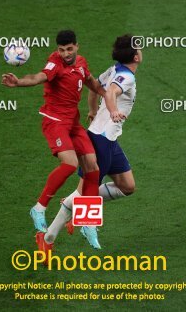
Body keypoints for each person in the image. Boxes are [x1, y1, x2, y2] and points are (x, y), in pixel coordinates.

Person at [1, 30, 125, 242]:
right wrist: (19, 82)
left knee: (93, 169)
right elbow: (38, 77)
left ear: (77, 46)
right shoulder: (55, 64)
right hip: (55, 121)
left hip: (73, 123)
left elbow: (91, 83)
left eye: (69, 49)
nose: (65, 53)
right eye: (61, 50)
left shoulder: (81, 63)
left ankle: (88, 224)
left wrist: (107, 96)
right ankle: (39, 208)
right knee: (69, 164)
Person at [37, 34, 142, 258]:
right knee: (84, 192)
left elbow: (94, 88)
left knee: (127, 186)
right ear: (136, 56)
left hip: (109, 139)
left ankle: (75, 201)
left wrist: (93, 111)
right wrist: (112, 110)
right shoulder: (126, 78)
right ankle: (47, 238)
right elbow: (111, 93)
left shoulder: (113, 70)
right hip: (101, 139)